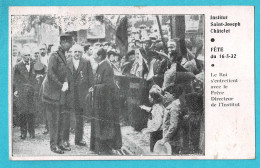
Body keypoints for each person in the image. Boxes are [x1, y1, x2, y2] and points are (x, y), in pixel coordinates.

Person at [41, 34, 74, 154]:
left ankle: (60, 143)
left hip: (59, 94)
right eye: (69, 43)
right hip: (51, 95)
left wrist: (65, 81)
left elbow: (63, 72)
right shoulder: (54, 55)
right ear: (63, 42)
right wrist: (61, 85)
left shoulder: (62, 54)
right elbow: (50, 74)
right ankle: (53, 146)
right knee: (54, 121)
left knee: (60, 119)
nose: (70, 46)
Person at [90, 48, 122, 154]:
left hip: (106, 101)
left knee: (105, 124)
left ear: (99, 56)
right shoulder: (100, 65)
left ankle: (105, 148)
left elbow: (108, 85)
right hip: (100, 100)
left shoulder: (107, 66)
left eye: (94, 54)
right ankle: (99, 147)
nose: (93, 55)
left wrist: (95, 87)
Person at [65, 44, 94, 147]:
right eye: (75, 52)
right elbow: (64, 75)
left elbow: (91, 76)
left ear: (81, 53)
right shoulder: (67, 61)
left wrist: (91, 88)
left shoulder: (86, 62)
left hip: (81, 94)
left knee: (80, 117)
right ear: (72, 52)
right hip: (69, 93)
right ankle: (65, 140)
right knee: (67, 117)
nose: (77, 54)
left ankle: (79, 139)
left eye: (79, 52)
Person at [13, 47, 37, 139]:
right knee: (22, 112)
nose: (27, 57)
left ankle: (32, 132)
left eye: (28, 55)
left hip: (32, 91)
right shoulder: (17, 66)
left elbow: (37, 78)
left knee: (32, 112)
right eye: (25, 55)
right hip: (22, 92)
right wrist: (16, 90)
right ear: (22, 56)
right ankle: (23, 132)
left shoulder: (34, 65)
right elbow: (15, 80)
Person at [140, 85, 166, 152]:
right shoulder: (159, 106)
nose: (148, 97)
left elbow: (158, 123)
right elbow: (152, 111)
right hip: (158, 132)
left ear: (153, 98)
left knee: (154, 150)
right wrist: (145, 108)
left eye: (149, 96)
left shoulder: (157, 108)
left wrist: (148, 130)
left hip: (156, 133)